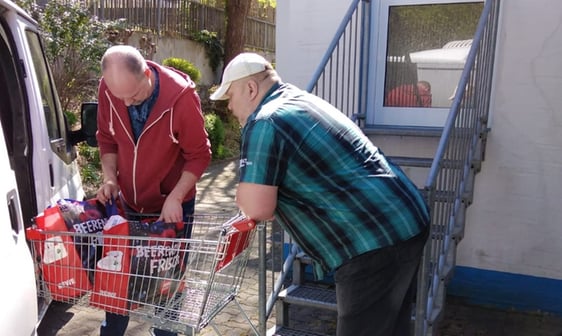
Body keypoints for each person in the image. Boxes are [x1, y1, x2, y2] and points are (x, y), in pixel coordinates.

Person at [210, 52, 430, 336]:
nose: (229, 106)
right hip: (404, 219)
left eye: (230, 96)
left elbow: (257, 206)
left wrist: (246, 195)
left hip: (372, 240)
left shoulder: (264, 120)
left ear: (251, 89)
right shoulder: (297, 100)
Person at [95, 45, 211, 336]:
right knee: (120, 277)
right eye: (119, 96)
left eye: (133, 95)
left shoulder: (181, 97)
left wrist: (175, 196)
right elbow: (107, 140)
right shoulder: (110, 90)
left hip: (170, 206)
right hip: (129, 202)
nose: (127, 102)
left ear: (147, 73)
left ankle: (166, 332)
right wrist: (110, 178)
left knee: (167, 283)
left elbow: (199, 154)